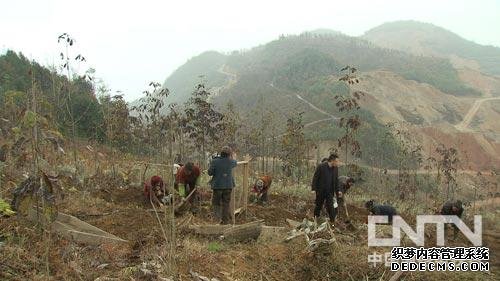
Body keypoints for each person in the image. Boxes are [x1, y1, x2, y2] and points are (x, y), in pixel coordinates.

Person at [208, 146, 237, 224]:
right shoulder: (231, 162)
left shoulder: (215, 161)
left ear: (221, 153)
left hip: (217, 186)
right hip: (228, 186)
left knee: (216, 203)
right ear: (229, 155)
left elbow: (209, 172)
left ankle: (216, 220)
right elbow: (235, 162)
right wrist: (232, 156)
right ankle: (225, 221)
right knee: (226, 204)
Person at [311, 153, 340, 224]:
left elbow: (336, 181)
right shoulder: (321, 167)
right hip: (320, 191)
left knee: (331, 206)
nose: (337, 163)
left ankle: (332, 222)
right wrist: (313, 189)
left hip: (330, 191)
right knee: (318, 205)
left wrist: (338, 191)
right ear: (332, 161)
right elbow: (315, 178)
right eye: (336, 161)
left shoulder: (335, 169)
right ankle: (315, 219)